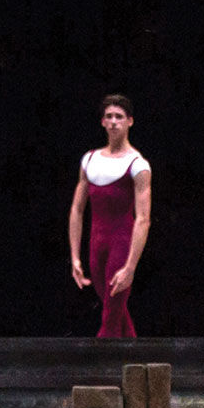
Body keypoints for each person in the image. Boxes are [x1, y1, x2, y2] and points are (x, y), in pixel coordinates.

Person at [67, 94, 153, 338]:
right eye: (109, 117)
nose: (114, 121)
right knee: (114, 306)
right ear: (103, 122)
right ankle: (134, 363)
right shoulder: (90, 160)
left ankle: (100, 367)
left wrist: (130, 266)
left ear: (130, 122)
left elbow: (143, 218)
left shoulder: (138, 165)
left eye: (119, 117)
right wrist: (74, 256)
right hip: (97, 245)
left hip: (122, 244)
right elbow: (76, 209)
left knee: (111, 313)